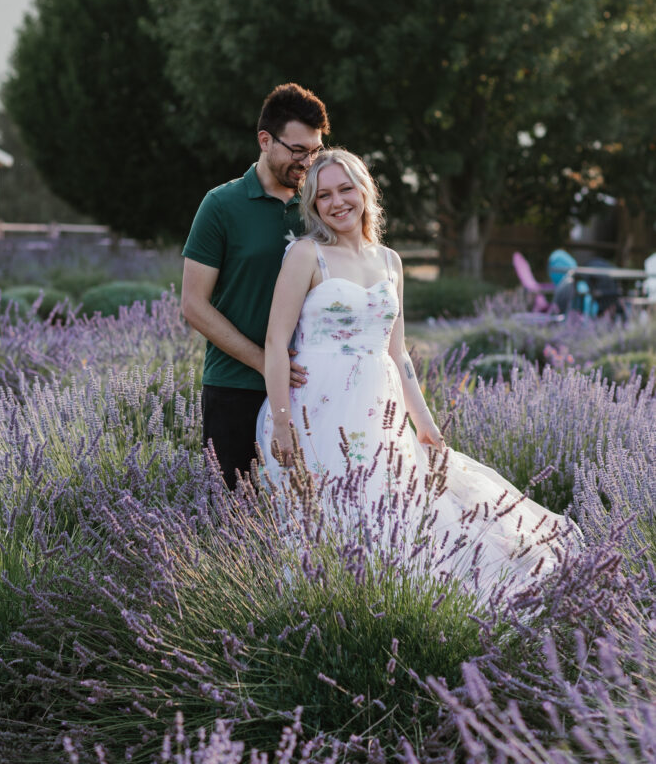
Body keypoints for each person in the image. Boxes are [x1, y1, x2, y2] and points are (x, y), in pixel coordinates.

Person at [258, 149, 581, 594]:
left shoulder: (390, 261)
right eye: (324, 195)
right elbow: (276, 343)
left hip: (377, 414)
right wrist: (281, 423)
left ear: (365, 191)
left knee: (391, 516)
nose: (337, 203)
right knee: (325, 524)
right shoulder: (307, 256)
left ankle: (388, 613)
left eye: (346, 189)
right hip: (315, 412)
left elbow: (398, 352)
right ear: (313, 205)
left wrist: (424, 422)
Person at [181, 83, 330, 489]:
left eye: (315, 151)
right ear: (265, 140)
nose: (307, 161)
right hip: (235, 386)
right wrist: (264, 361)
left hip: (310, 385)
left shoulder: (321, 207)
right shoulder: (221, 205)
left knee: (310, 512)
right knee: (234, 515)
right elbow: (194, 305)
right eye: (297, 150)